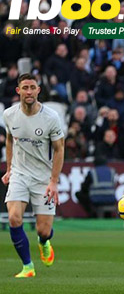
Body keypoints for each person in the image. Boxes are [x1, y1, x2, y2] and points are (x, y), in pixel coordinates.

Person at [2, 74, 65, 278]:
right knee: (13, 217)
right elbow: (10, 140)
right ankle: (28, 267)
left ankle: (44, 242)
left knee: (43, 231)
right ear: (18, 91)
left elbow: (59, 149)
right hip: (20, 174)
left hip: (43, 179)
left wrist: (54, 182)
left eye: (32, 87)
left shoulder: (51, 117)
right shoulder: (9, 114)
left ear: (39, 91)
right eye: (25, 87)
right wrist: (10, 168)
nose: (29, 91)